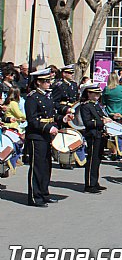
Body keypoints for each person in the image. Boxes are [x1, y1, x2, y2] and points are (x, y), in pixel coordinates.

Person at [24, 68, 70, 207]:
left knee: (46, 166)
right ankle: (34, 197)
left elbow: (51, 114)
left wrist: (63, 118)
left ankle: (44, 193)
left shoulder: (46, 96)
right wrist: (49, 127)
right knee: (37, 167)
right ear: (38, 82)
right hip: (36, 136)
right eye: (46, 81)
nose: (49, 83)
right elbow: (32, 120)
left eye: (49, 80)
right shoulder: (32, 98)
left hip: (46, 136)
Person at [78, 83, 111, 194]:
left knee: (97, 159)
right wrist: (102, 121)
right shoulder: (85, 106)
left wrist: (110, 118)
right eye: (95, 93)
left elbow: (102, 116)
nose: (97, 95)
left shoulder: (96, 105)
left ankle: (95, 182)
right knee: (92, 160)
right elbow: (88, 122)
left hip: (100, 134)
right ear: (89, 93)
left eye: (98, 93)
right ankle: (89, 184)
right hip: (92, 134)